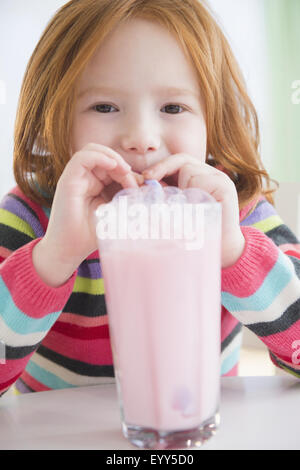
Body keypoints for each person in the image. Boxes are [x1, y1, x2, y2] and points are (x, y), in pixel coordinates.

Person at [0, 0, 300, 397]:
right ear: (52, 116)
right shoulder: (31, 216)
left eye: (173, 107)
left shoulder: (233, 210)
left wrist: (232, 252)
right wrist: (52, 258)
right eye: (104, 106)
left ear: (214, 119)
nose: (141, 138)